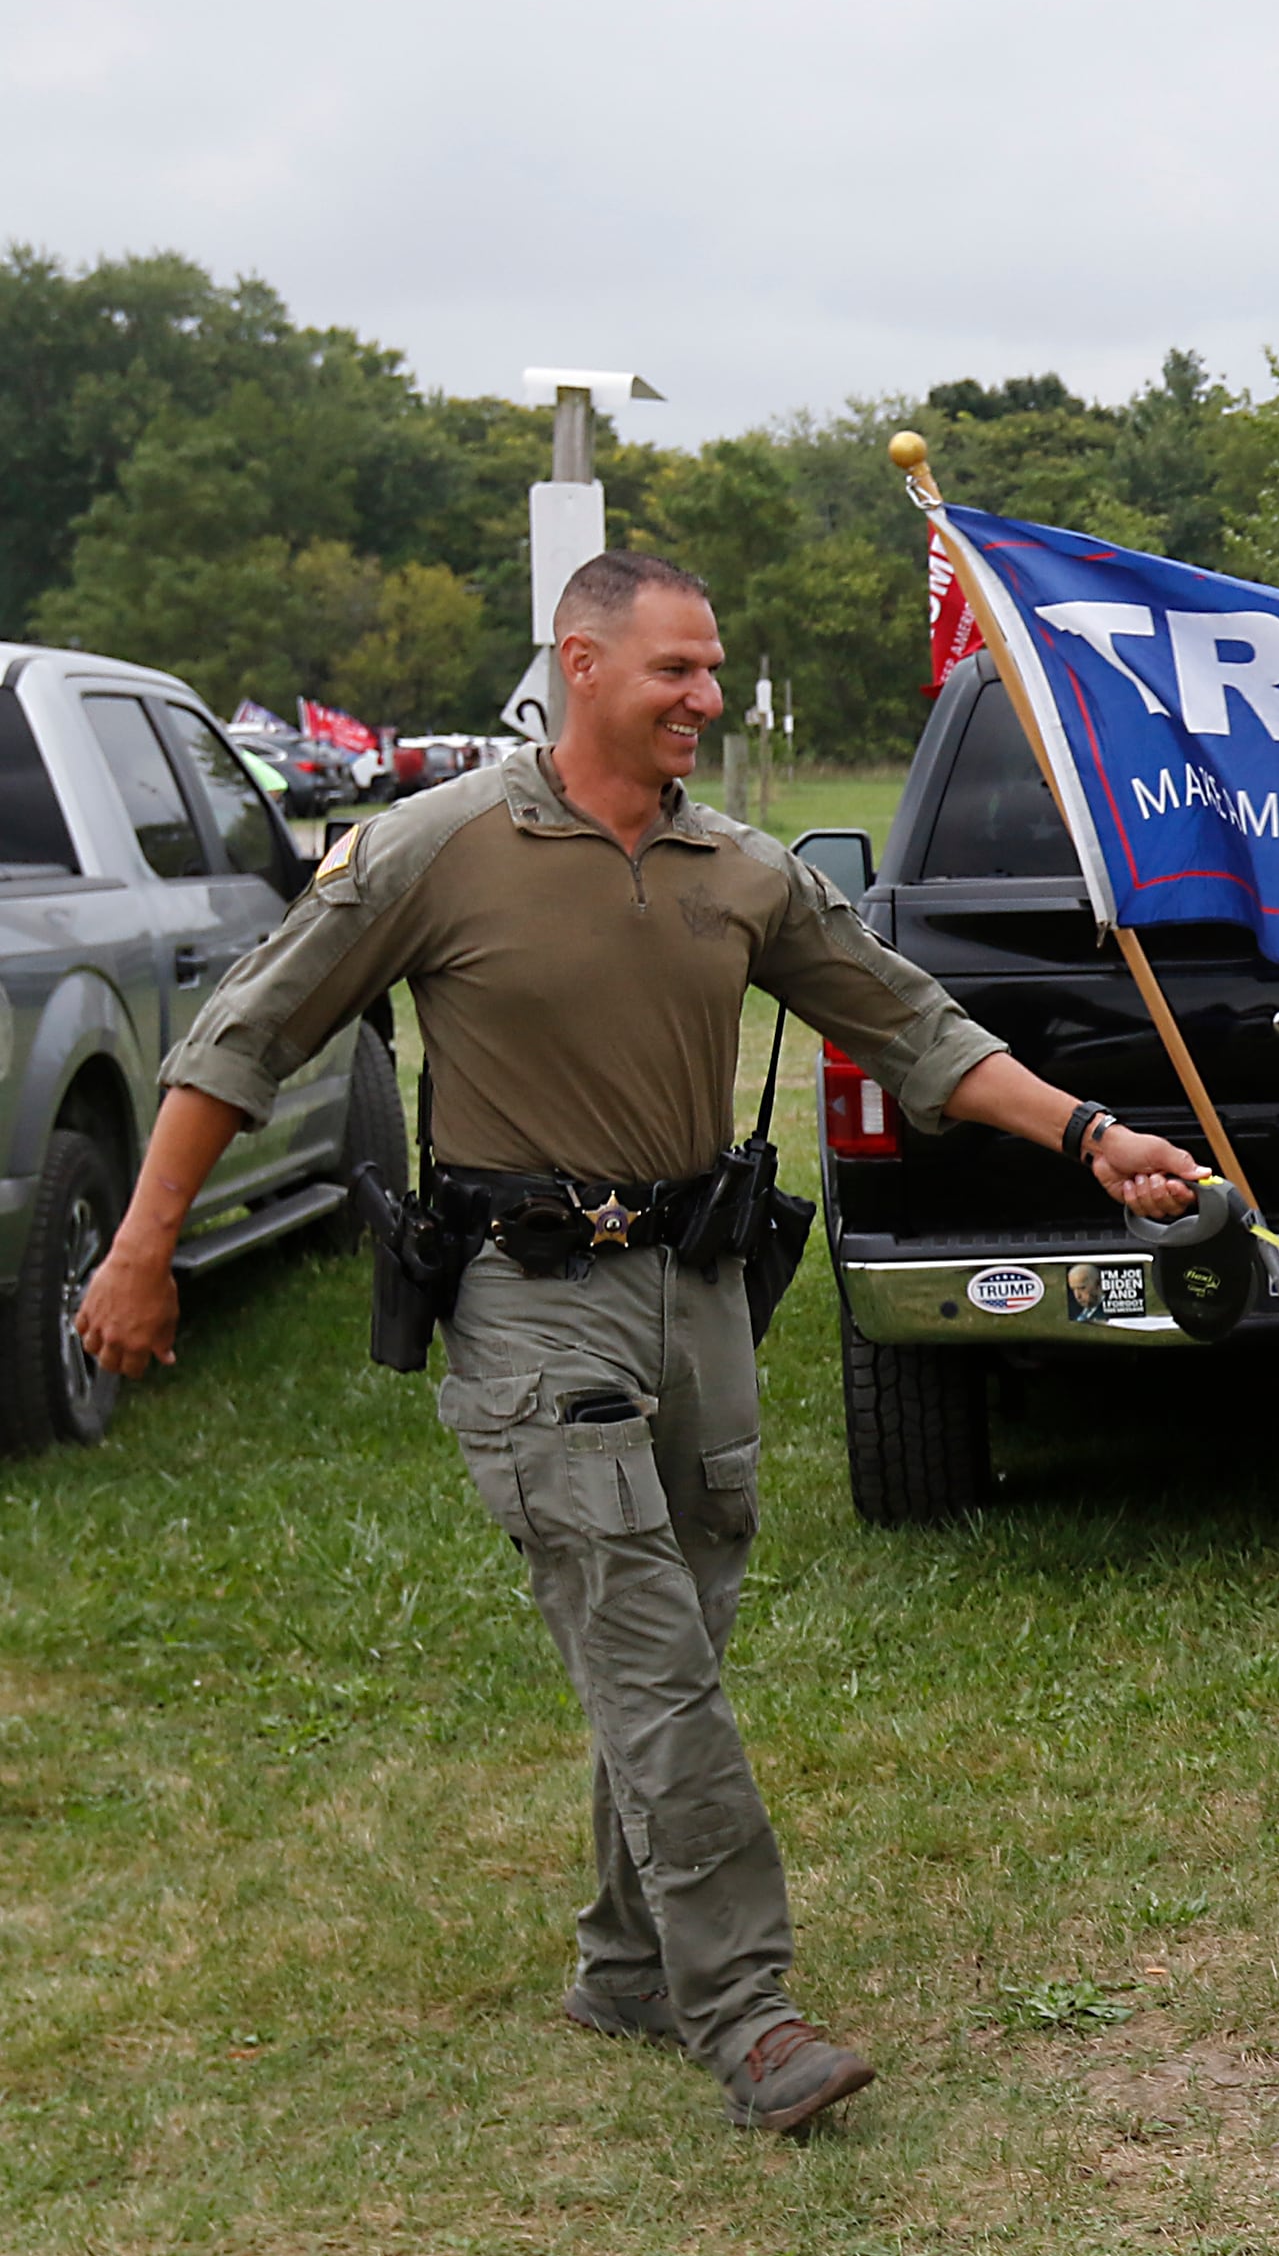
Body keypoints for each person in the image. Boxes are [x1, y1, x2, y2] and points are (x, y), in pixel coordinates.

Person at [73, 551, 1204, 2136]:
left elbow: (917, 1028)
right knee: (651, 1655)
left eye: (716, 668)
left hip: (699, 1293)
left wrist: (1092, 1135)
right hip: (531, 1302)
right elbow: (239, 1040)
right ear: (581, 663)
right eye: (677, 669)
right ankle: (745, 2011)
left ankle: (623, 1965)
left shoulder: (737, 867)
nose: (709, 698)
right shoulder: (436, 847)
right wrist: (141, 1253)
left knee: (675, 1645)